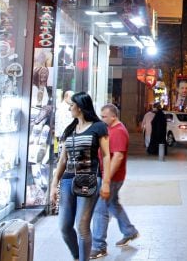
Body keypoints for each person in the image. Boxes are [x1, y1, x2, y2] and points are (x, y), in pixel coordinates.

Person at [49, 92, 111, 261]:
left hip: (90, 178)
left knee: (82, 226)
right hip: (68, 179)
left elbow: (106, 155)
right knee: (64, 226)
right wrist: (54, 184)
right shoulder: (69, 129)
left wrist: (106, 182)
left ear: (80, 107)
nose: (69, 108)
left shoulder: (98, 127)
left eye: (71, 105)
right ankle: (77, 256)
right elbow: (63, 159)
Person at [90, 104, 139, 258]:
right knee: (112, 204)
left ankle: (99, 246)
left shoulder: (118, 132)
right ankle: (129, 231)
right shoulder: (111, 129)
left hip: (112, 178)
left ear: (113, 116)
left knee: (100, 210)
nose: (102, 118)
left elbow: (118, 156)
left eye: (104, 116)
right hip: (111, 176)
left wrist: (106, 179)